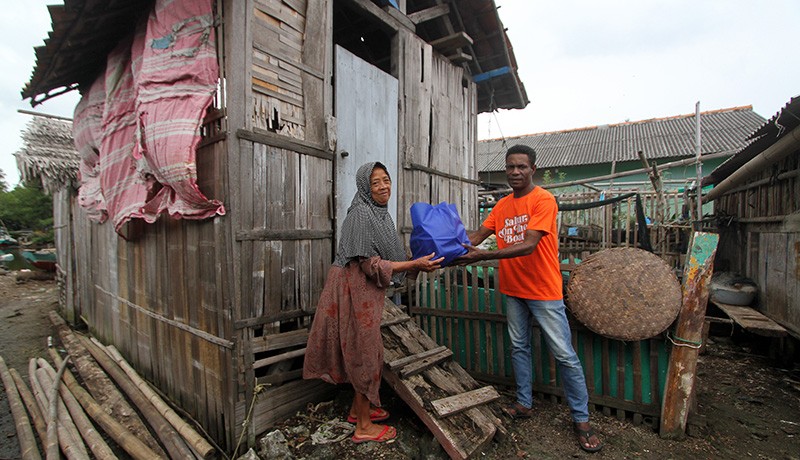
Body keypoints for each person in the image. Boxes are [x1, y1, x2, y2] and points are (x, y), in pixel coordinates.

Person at [455, 145, 603, 453]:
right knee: (519, 347)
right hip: (513, 289)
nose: (515, 172)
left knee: (563, 354)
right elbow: (475, 237)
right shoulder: (502, 205)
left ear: (532, 169)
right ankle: (524, 403)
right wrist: (444, 242)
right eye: (510, 167)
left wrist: (486, 256)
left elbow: (529, 244)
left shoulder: (544, 200)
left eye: (521, 167)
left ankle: (581, 419)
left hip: (544, 291)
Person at [303, 161, 443, 444]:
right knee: (364, 353)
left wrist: (419, 260)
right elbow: (370, 266)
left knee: (366, 350)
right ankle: (363, 427)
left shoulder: (379, 215)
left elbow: (388, 256)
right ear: (365, 187)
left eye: (386, 180)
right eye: (375, 182)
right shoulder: (361, 214)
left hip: (361, 292)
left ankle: (358, 410)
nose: (383, 186)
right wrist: (413, 264)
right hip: (350, 292)